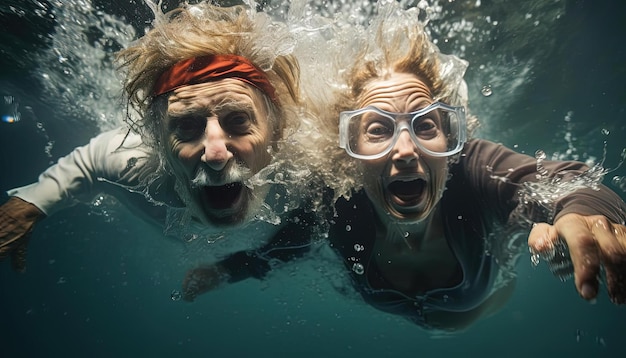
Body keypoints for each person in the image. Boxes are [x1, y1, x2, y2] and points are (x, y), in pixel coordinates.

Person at [309, 5, 626, 331]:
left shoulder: (474, 170)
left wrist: (586, 210)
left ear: (449, 141)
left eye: (426, 125)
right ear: (350, 150)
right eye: (378, 129)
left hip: (486, 308)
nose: (405, 150)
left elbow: (567, 182)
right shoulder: (334, 201)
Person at [0, 2, 317, 274]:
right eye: (187, 127)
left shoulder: (306, 161)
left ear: (276, 131)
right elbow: (89, 161)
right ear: (158, 142)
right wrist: (32, 202)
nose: (216, 154)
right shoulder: (138, 164)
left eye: (237, 120)